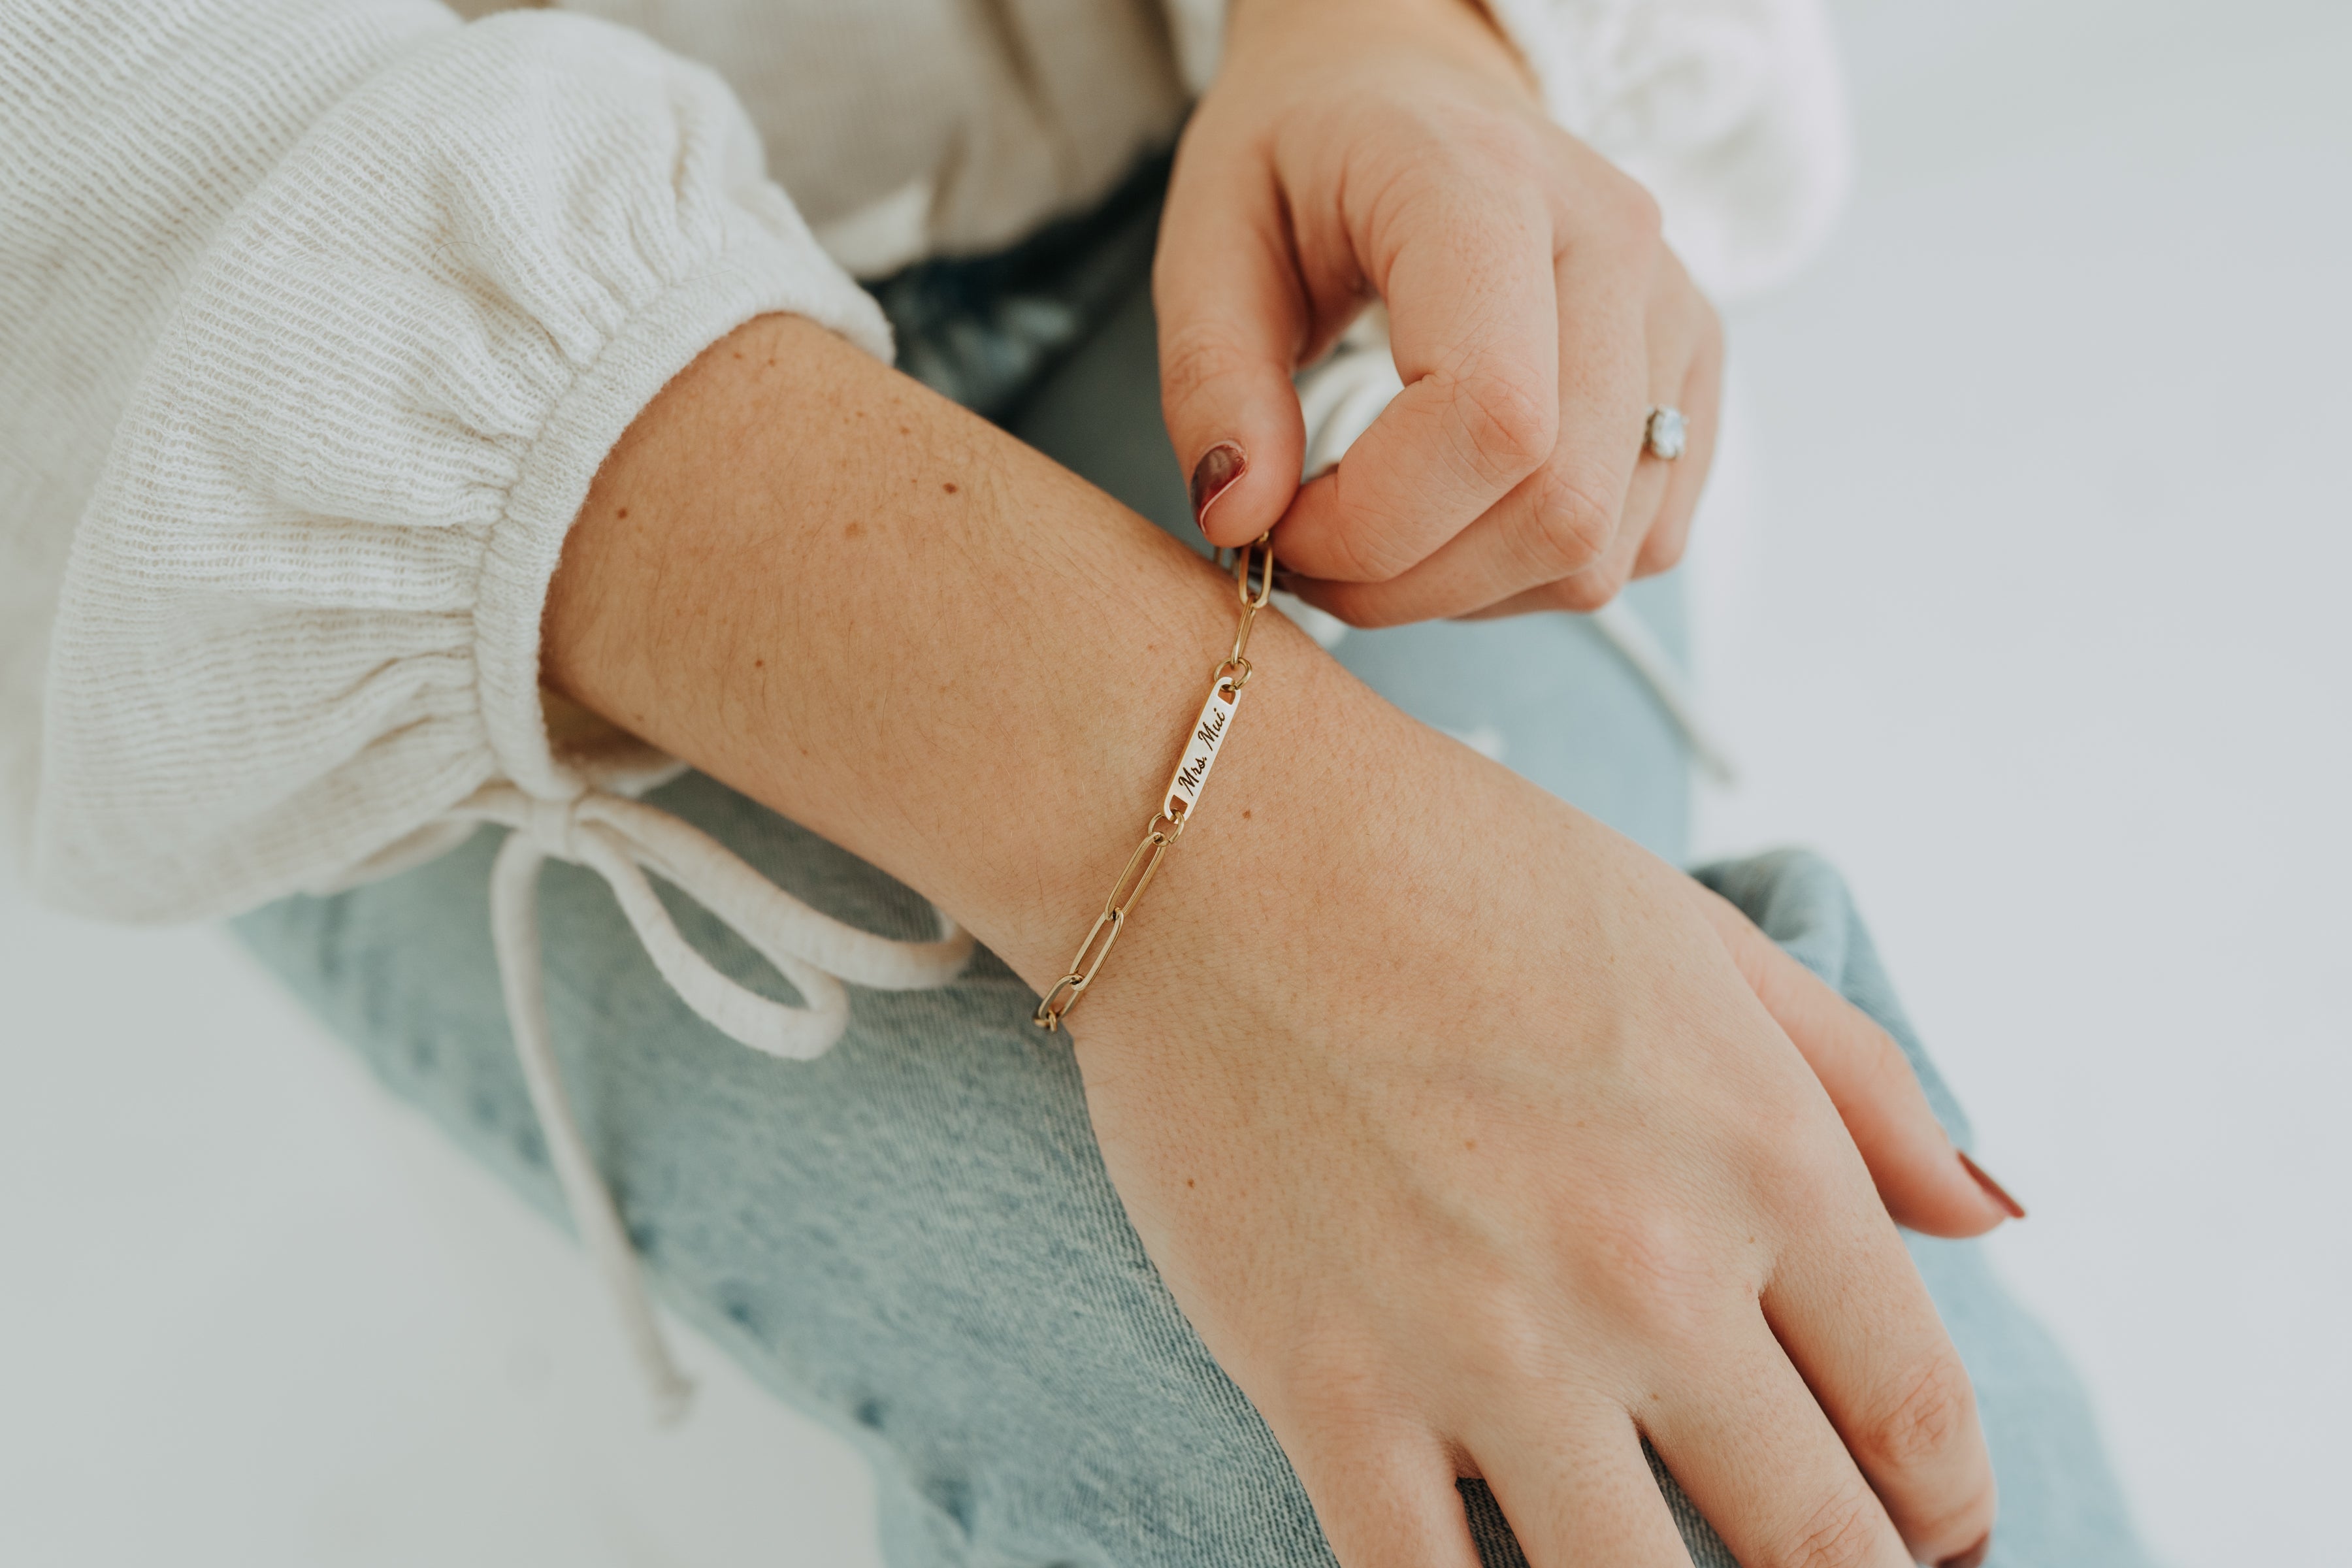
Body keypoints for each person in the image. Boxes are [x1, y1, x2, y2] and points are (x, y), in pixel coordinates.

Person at [1, 1, 2151, 1563]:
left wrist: (1401, 36)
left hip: (1229, 199)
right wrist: (1239, 841)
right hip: (371, 492)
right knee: (1416, 1477)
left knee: (1719, 1320)